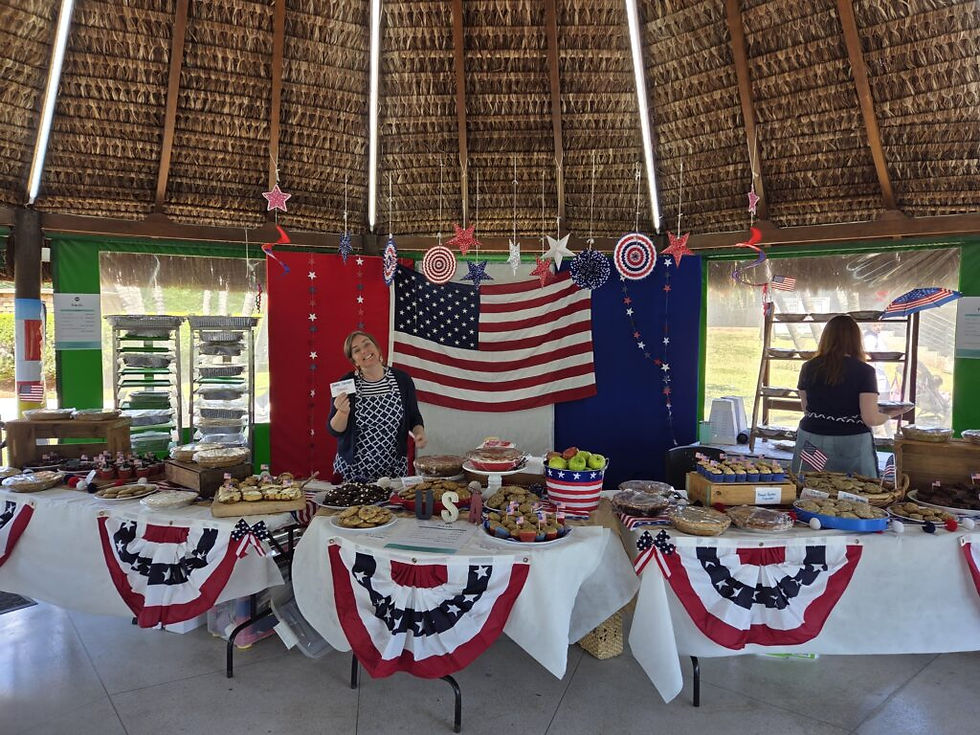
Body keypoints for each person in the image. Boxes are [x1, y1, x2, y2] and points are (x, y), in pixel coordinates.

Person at [792, 314, 908, 477]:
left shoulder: (808, 367)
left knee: (808, 490)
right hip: (850, 441)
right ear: (856, 340)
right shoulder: (864, 371)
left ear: (826, 338)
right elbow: (871, 419)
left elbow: (806, 408)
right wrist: (889, 415)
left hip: (811, 437)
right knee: (855, 492)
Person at [327, 330, 427, 482]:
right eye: (357, 350)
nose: (364, 351)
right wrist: (342, 412)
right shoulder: (346, 384)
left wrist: (419, 433)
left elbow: (414, 417)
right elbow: (333, 429)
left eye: (367, 344)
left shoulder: (402, 380)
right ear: (354, 361)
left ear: (377, 348)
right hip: (354, 471)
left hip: (393, 471)